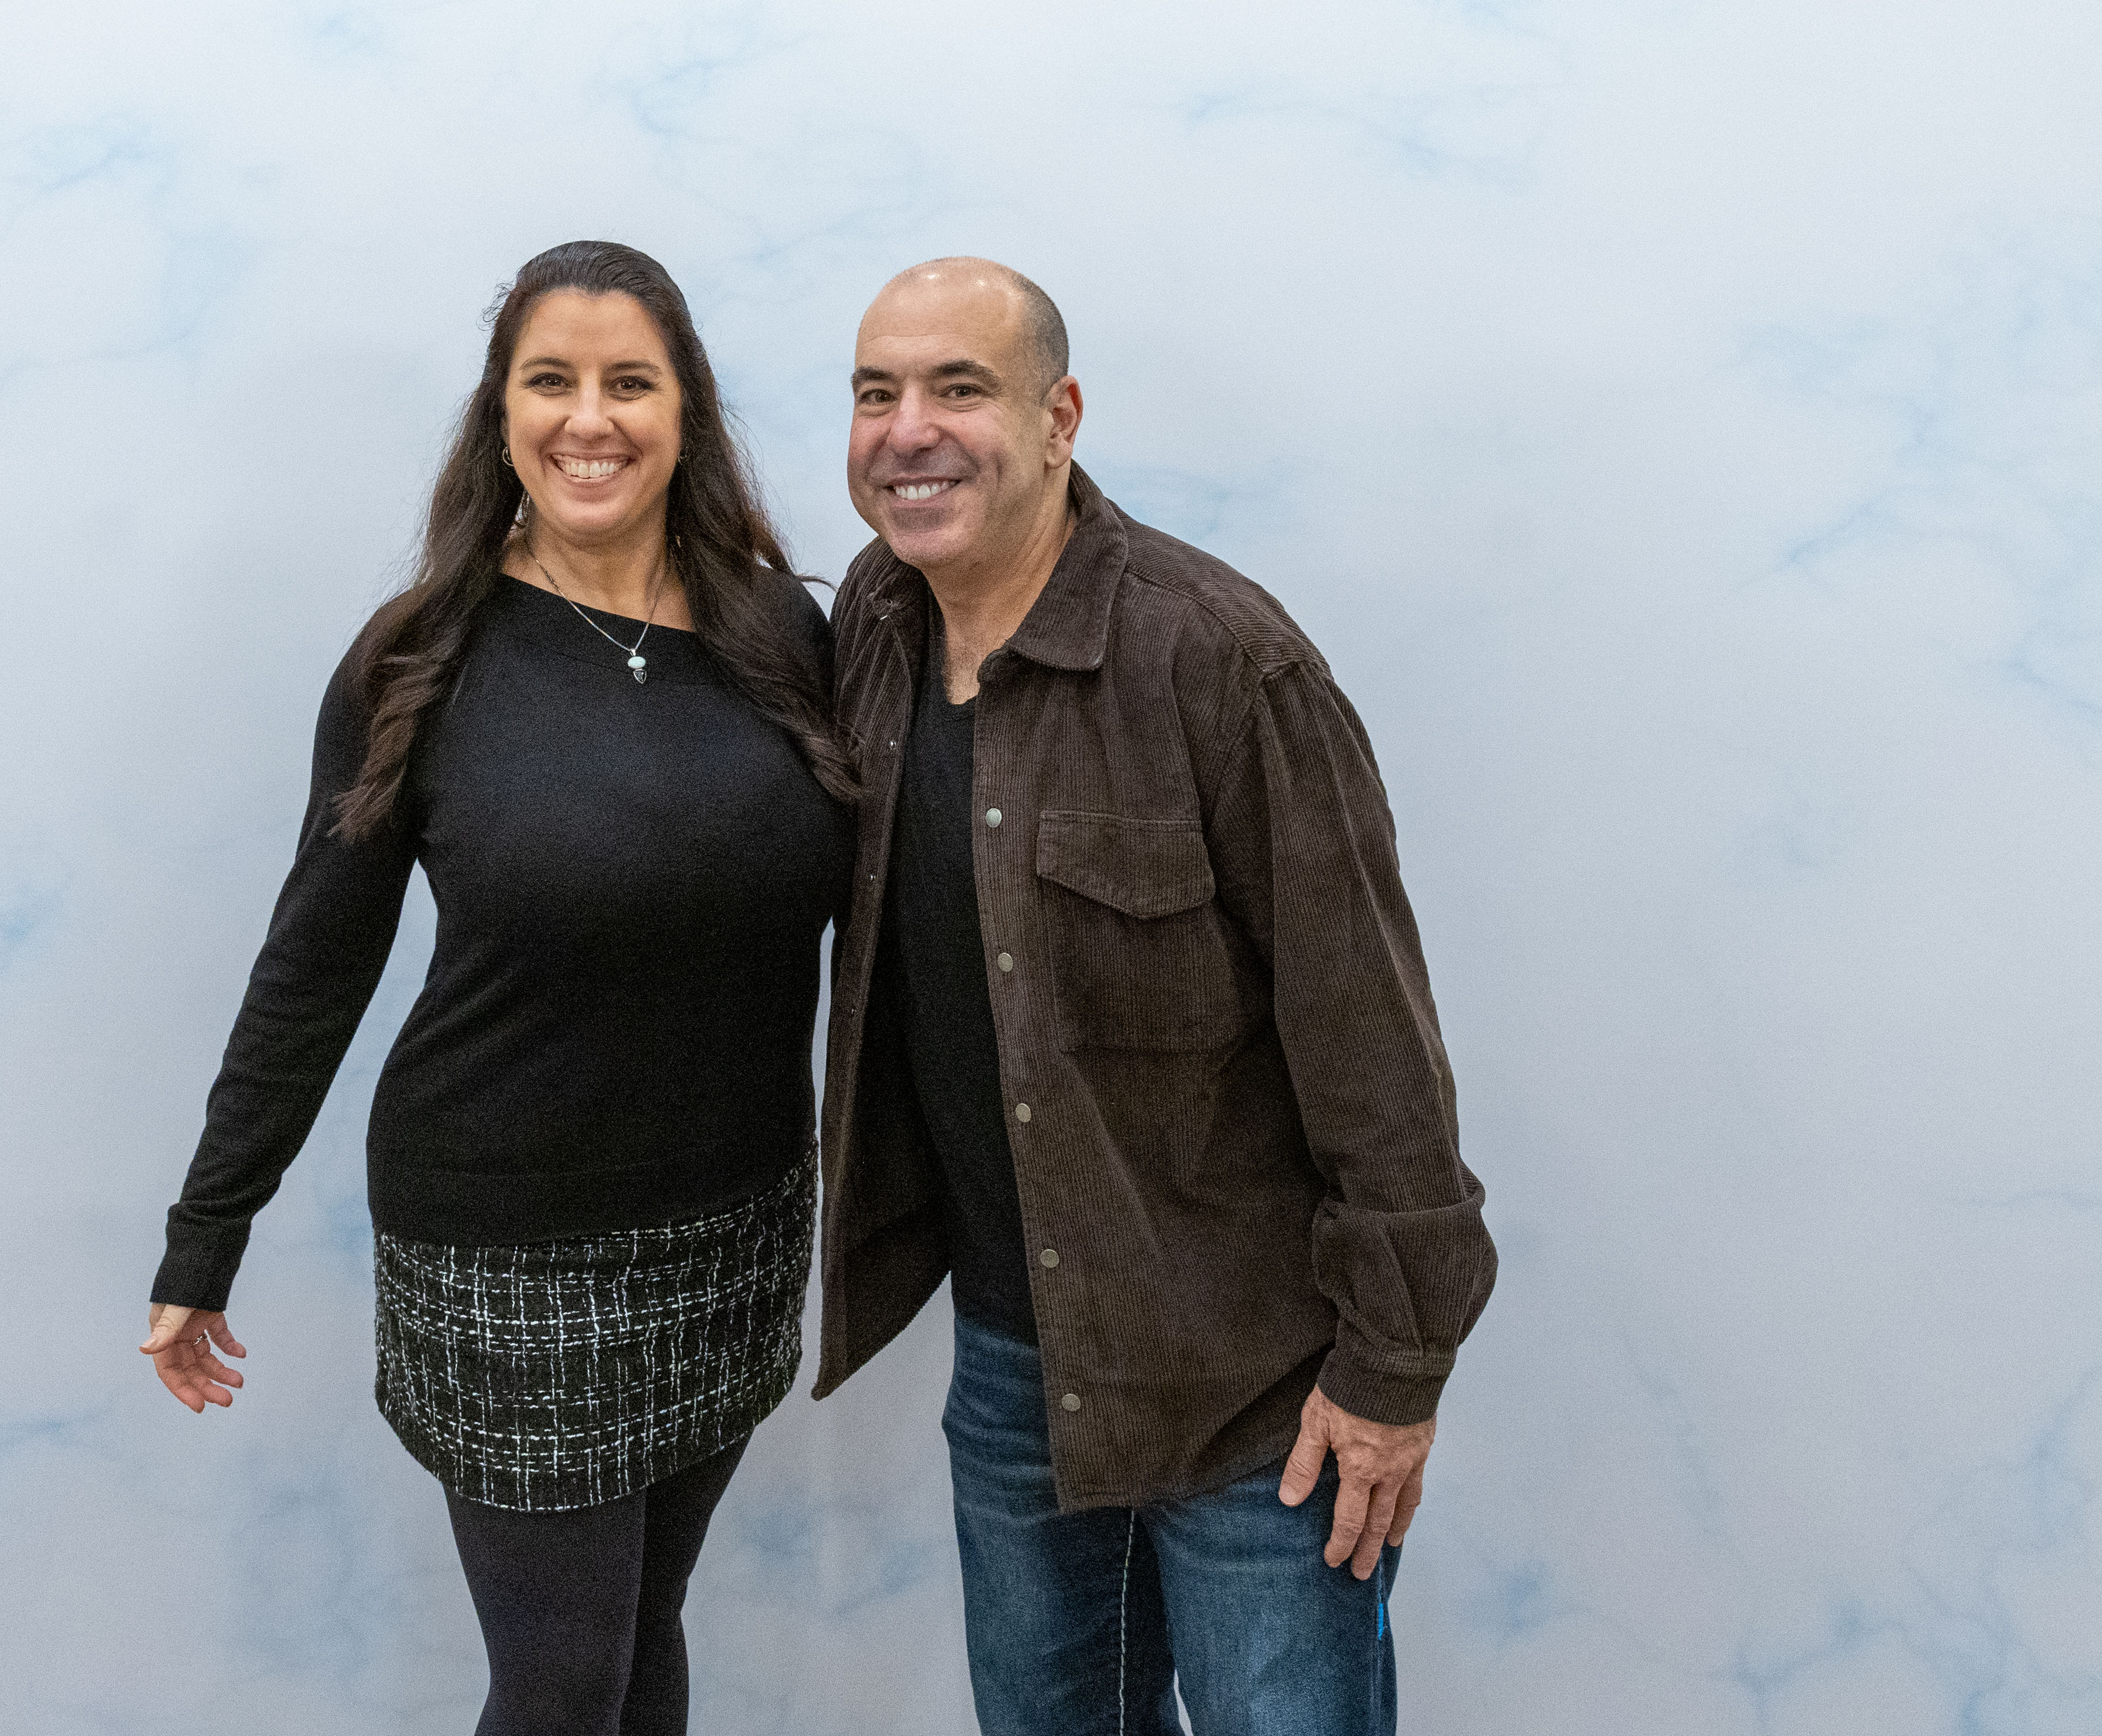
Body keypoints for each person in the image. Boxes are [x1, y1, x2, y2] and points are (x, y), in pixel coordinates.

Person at [139, 239, 855, 1736]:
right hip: (508, 1245)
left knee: (641, 1632)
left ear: (686, 412)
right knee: (559, 1683)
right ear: (501, 411)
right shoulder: (418, 661)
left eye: (629, 382)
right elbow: (313, 964)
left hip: (735, 1220)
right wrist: (208, 1230)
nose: (590, 418)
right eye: (551, 381)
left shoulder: (781, 633)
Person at [813, 258, 1497, 1735]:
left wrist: (1392, 1375)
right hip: (1013, 1376)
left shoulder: (1222, 661)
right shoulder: (874, 622)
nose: (908, 429)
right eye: (877, 393)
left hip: (1260, 1400)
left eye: (958, 388)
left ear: (1059, 418)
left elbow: (1373, 1043)